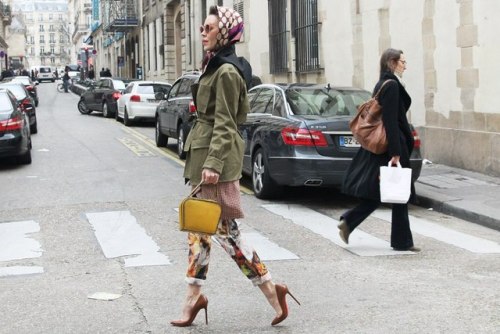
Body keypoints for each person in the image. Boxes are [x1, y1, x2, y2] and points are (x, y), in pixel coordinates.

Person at [170, 6, 300, 328]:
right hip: (206, 158)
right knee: (213, 234)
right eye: (202, 26)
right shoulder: (214, 65)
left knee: (213, 235)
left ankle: (199, 299)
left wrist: (213, 163)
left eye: (209, 27)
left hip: (215, 163)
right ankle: (271, 291)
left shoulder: (226, 71)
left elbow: (226, 123)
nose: (203, 31)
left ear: (224, 33)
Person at [338, 48, 420, 252]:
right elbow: (391, 121)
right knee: (399, 192)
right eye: (402, 62)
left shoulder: (382, 83)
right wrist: (395, 152)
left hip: (386, 146)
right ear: (392, 62)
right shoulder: (391, 85)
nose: (405, 65)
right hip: (391, 146)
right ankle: (402, 241)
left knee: (385, 192)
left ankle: (349, 222)